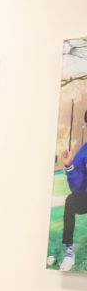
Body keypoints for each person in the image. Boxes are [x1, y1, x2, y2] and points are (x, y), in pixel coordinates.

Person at [58, 111, 87, 271]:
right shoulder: (82, 153)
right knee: (70, 201)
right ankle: (69, 251)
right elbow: (76, 187)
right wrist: (69, 165)